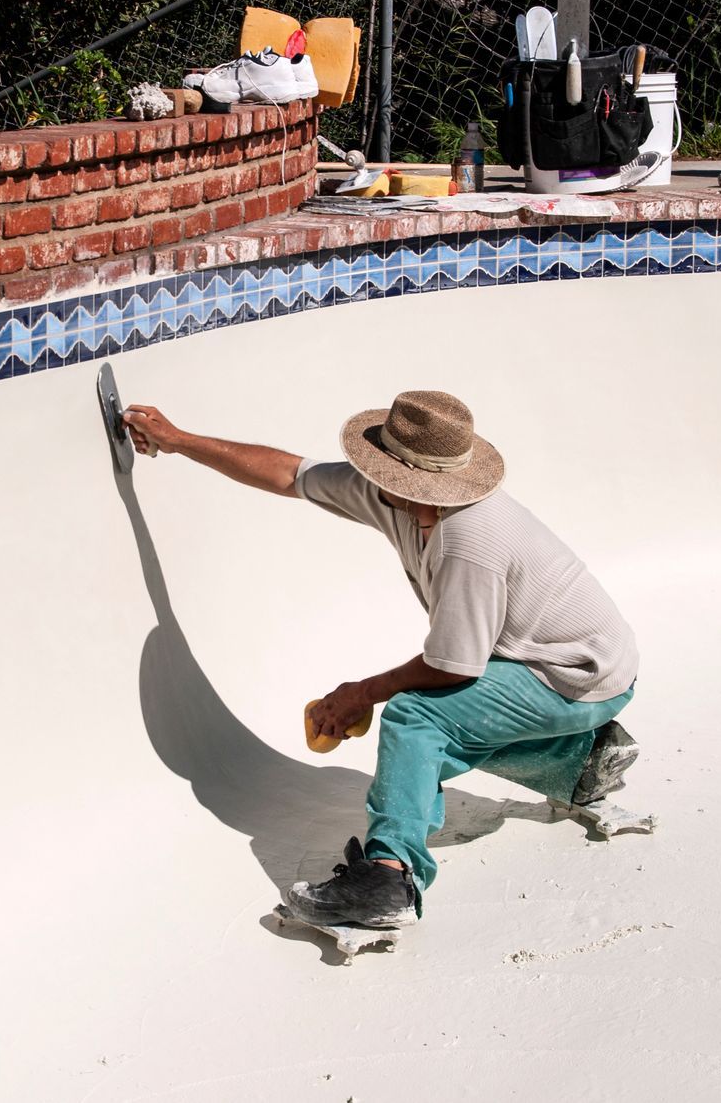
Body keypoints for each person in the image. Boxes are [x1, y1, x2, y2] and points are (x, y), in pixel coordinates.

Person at [120, 389, 639, 928]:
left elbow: (454, 667)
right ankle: (579, 761)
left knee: (418, 717)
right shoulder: (394, 496)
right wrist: (179, 441)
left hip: (576, 677)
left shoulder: (470, 539)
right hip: (561, 663)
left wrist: (358, 693)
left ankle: (388, 880)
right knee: (454, 720)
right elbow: (287, 474)